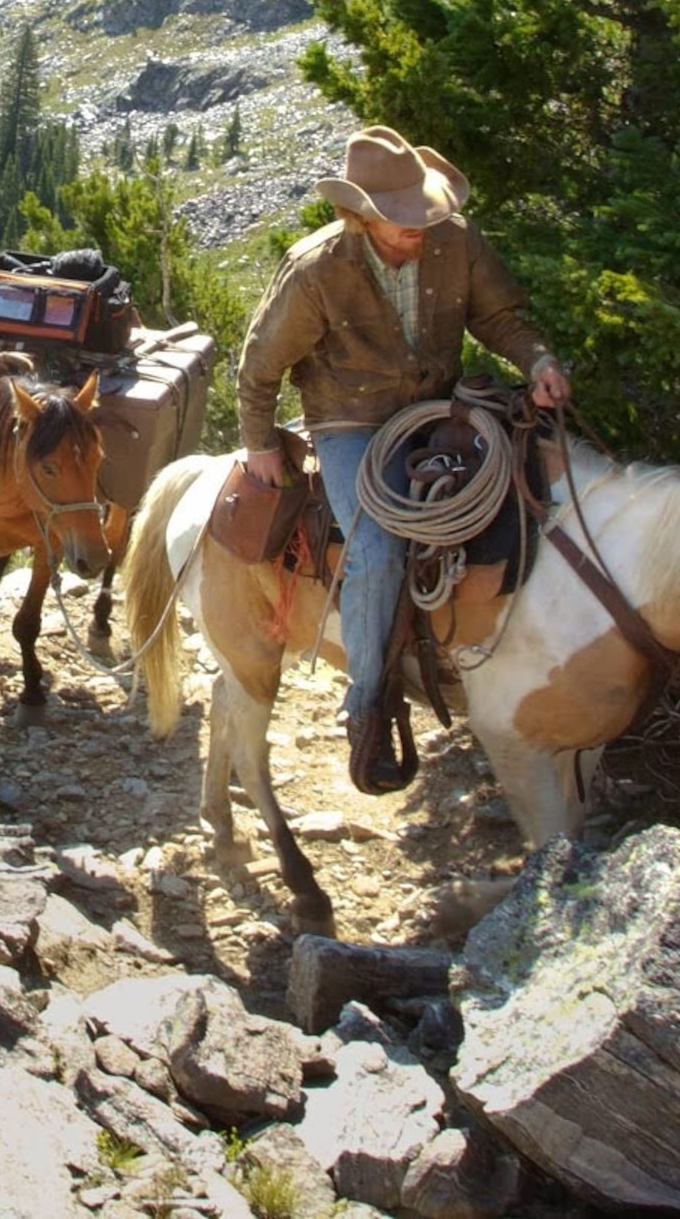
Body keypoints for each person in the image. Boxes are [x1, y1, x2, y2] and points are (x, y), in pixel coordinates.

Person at [237, 126, 570, 794]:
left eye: (421, 216)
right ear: (359, 218)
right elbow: (261, 363)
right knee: (378, 544)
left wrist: (537, 360)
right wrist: (259, 443)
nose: (418, 231)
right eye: (400, 223)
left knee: (531, 490)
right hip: (349, 420)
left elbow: (499, 316)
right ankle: (367, 703)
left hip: (441, 404)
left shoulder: (457, 240)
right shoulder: (317, 270)